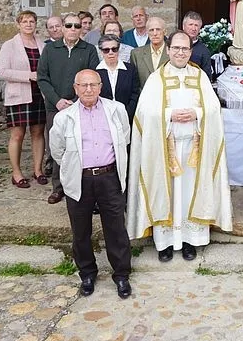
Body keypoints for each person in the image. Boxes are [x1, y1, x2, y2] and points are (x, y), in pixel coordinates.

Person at [127, 31, 232, 262]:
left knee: (190, 193)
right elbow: (143, 112)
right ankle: (164, 242)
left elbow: (214, 108)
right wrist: (169, 115)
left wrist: (197, 113)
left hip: (195, 149)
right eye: (176, 48)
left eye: (185, 49)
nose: (180, 53)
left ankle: (189, 240)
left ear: (191, 51)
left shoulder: (200, 76)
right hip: (165, 149)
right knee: (167, 194)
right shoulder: (156, 78)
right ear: (168, 49)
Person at [49, 69, 132, 299]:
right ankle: (87, 273)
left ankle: (122, 274)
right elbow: (57, 151)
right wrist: (75, 167)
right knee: (81, 229)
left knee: (116, 228)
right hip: (80, 178)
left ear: (100, 87)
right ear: (75, 88)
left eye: (93, 85)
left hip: (109, 176)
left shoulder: (116, 110)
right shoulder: (64, 117)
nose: (88, 89)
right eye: (83, 85)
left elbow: (124, 138)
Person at [37, 13, 100, 204]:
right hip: (54, 107)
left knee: (80, 146)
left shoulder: (89, 50)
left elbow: (92, 77)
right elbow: (42, 78)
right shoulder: (50, 49)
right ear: (63, 27)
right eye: (69, 25)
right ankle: (58, 188)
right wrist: (57, 101)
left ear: (82, 29)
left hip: (80, 106)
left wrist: (75, 101)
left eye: (77, 26)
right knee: (57, 147)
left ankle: (80, 187)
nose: (73, 29)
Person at [0, 10, 46, 189]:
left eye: (31, 21)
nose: (28, 24)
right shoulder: (9, 45)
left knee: (38, 133)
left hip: (39, 94)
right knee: (17, 135)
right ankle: (16, 173)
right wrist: (29, 75)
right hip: (18, 95)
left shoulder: (42, 45)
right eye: (24, 21)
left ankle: (38, 170)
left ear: (36, 24)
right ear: (18, 24)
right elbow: (2, 72)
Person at [96, 34, 140, 124]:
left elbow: (135, 94)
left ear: (119, 50)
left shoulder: (131, 69)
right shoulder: (95, 72)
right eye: (106, 50)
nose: (110, 52)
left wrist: (126, 114)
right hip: (102, 119)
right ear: (101, 52)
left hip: (127, 118)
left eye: (114, 49)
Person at [129, 16, 168, 84]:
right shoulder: (136, 54)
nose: (155, 33)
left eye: (158, 29)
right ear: (147, 32)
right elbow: (134, 82)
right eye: (151, 30)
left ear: (165, 32)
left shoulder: (172, 52)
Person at [182, 11, 213, 75]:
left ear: (199, 28)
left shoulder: (204, 51)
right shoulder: (174, 45)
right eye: (190, 24)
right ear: (183, 26)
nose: (193, 28)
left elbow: (207, 76)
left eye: (196, 25)